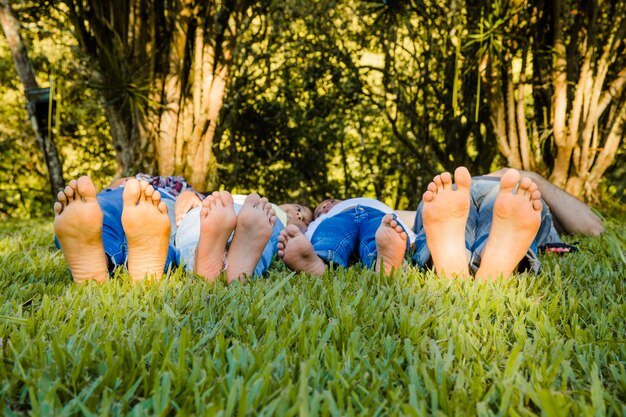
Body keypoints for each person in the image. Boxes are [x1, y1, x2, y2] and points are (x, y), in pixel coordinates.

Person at [412, 166, 604, 281]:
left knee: (442, 227)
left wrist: (533, 178)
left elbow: (594, 228)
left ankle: (448, 261)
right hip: (507, 191)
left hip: (453, 192)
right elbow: (594, 227)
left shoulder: (440, 198)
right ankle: (496, 264)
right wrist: (530, 179)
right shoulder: (526, 199)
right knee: (505, 219)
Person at [54, 175, 183, 284]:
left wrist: (189, 196)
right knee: (88, 217)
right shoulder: (118, 183)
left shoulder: (179, 183)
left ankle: (103, 260)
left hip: (159, 196)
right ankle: (143, 270)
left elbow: (193, 198)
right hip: (116, 194)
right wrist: (121, 183)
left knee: (158, 219)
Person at [175, 191, 313, 284]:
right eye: (298, 208)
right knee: (198, 225)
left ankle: (201, 268)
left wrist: (297, 226)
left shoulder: (274, 217)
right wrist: (187, 195)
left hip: (226, 216)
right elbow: (189, 196)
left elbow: (296, 232)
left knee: (195, 231)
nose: (299, 215)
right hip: (221, 214)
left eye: (304, 219)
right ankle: (237, 275)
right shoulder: (268, 210)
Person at [277, 197, 416, 276]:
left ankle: (385, 261)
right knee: (328, 235)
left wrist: (412, 239)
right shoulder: (325, 218)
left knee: (383, 232)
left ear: (341, 200)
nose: (325, 207)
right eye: (319, 211)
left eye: (330, 202)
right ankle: (317, 262)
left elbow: (402, 224)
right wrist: (303, 245)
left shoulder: (370, 203)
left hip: (377, 215)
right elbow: (313, 234)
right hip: (339, 218)